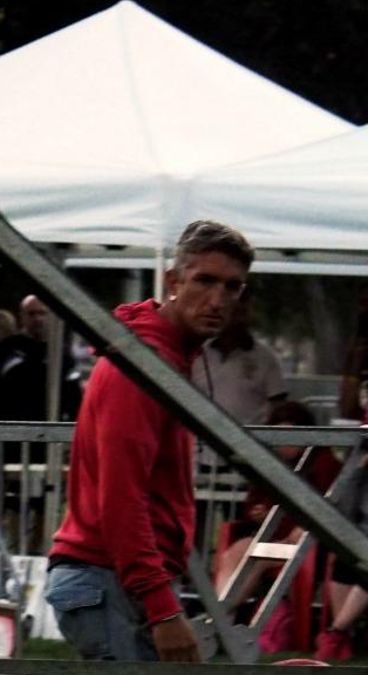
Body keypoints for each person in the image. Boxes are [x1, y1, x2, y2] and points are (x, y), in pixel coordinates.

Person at [44, 220, 255, 662]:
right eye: (205, 281)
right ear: (173, 282)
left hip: (117, 578)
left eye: (232, 287)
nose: (219, 299)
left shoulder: (161, 358)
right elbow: (121, 498)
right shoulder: (141, 366)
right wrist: (163, 611)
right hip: (107, 579)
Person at [211, 402, 341, 607]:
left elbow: (333, 508)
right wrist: (256, 512)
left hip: (308, 543)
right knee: (233, 553)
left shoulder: (324, 464)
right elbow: (255, 500)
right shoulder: (270, 463)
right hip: (273, 536)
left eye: (290, 438)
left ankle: (222, 613)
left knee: (257, 556)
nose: (283, 446)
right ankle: (221, 612)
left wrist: (304, 528)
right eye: (279, 439)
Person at [191, 287, 287, 426]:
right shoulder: (197, 352)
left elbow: (278, 406)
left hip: (247, 442)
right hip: (200, 438)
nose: (237, 319)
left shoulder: (265, 358)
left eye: (242, 312)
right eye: (233, 312)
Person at [315, 448, 368, 661]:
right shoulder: (361, 469)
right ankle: (341, 634)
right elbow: (345, 506)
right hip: (362, 533)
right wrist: (358, 470)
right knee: (344, 557)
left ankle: (336, 632)